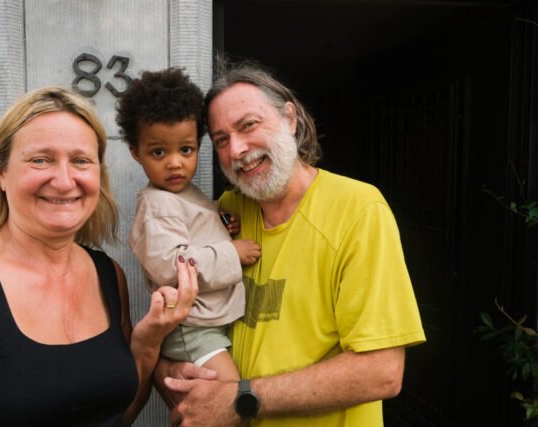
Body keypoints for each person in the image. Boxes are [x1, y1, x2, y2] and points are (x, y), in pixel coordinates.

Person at [0, 86, 198, 426]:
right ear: (1, 172)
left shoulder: (107, 275)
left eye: (81, 161)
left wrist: (147, 345)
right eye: (41, 160)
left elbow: (116, 416)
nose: (64, 181)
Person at [155, 61, 427, 426]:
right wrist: (172, 372)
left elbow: (382, 371)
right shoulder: (225, 212)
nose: (237, 149)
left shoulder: (358, 209)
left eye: (248, 125)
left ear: (290, 118)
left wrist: (240, 400)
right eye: (221, 140)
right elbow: (185, 323)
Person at [116, 67, 261, 381]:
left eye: (186, 150)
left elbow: (192, 225)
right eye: (158, 152)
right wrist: (232, 253)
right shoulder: (156, 203)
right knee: (229, 392)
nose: (175, 163)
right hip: (191, 329)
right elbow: (173, 265)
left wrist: (218, 221)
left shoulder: (183, 193)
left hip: (207, 322)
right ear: (136, 153)